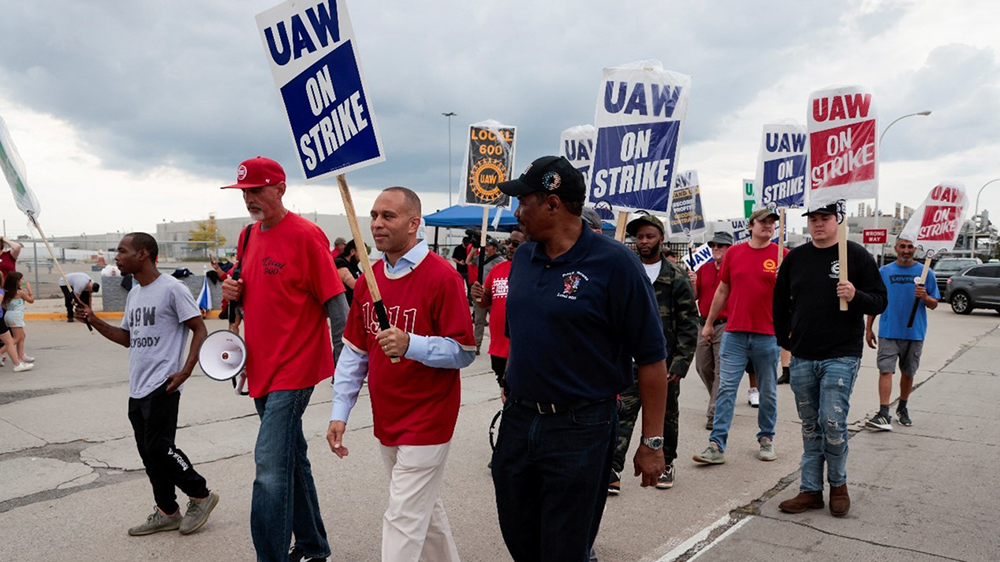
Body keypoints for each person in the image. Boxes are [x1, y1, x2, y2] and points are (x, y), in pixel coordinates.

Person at [492, 155, 669, 561]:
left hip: (581, 428)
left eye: (524, 202)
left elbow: (651, 359)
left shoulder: (616, 264)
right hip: (519, 420)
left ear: (553, 204)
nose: (517, 212)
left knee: (565, 549)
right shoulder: (523, 259)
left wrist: (652, 442)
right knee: (519, 538)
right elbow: (521, 336)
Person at [327, 187, 476, 562]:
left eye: (388, 216)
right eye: (374, 215)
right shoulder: (369, 279)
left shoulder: (442, 277)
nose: (377, 223)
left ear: (413, 224)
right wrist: (339, 412)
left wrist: (412, 344)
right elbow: (355, 354)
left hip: (429, 418)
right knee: (424, 511)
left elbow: (464, 351)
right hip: (388, 417)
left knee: (403, 518)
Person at [220, 156, 349, 562]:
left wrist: (345, 369)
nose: (249, 198)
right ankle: (313, 547)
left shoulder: (307, 236)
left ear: (280, 188)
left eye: (256, 190)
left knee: (269, 469)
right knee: (291, 461)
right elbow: (248, 295)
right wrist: (232, 293)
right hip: (261, 367)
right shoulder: (247, 236)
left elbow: (337, 305)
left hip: (296, 368)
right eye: (244, 192)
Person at [73, 232, 218, 536]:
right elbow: (127, 338)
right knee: (149, 455)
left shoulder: (173, 289)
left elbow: (199, 329)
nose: (116, 257)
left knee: (160, 449)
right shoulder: (135, 294)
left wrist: (185, 371)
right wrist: (93, 319)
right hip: (137, 387)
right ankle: (167, 511)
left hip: (164, 384)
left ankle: (201, 495)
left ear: (143, 254)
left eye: (122, 251)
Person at [774, 203, 887, 517]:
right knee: (811, 426)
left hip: (841, 354)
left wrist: (855, 295)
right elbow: (780, 303)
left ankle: (838, 485)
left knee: (832, 423)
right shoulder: (796, 258)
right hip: (803, 355)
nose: (818, 224)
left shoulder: (855, 256)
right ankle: (810, 490)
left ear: (838, 220)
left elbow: (880, 301)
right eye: (813, 219)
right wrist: (785, 340)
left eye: (824, 218)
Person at [609, 215, 699, 493]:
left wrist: (680, 363)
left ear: (661, 238)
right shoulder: (627, 270)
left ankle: (666, 462)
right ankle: (612, 468)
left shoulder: (676, 276)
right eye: (639, 237)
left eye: (649, 236)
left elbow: (688, 323)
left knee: (666, 416)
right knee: (621, 414)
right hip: (627, 362)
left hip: (663, 364)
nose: (644, 242)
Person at [695, 208, 786, 465]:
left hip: (768, 336)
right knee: (726, 389)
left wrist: (785, 283)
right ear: (751, 225)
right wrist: (709, 323)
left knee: (767, 391)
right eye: (763, 221)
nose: (768, 225)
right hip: (734, 334)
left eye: (772, 222)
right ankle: (716, 444)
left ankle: (766, 439)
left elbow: (794, 297)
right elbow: (722, 290)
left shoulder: (783, 256)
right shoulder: (734, 253)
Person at [864, 235, 938, 431]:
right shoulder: (884, 272)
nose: (906, 250)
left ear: (915, 249)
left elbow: (934, 304)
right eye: (902, 246)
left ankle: (902, 407)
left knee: (908, 372)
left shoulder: (925, 272)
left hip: (914, 332)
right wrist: (868, 328)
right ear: (895, 248)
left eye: (910, 247)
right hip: (889, 331)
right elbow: (875, 301)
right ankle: (883, 413)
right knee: (885, 370)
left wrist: (925, 297)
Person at [472, 230, 526, 397]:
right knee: (505, 394)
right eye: (509, 242)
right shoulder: (497, 269)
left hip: (519, 350)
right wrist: (478, 295)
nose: (510, 247)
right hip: (498, 348)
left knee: (515, 395)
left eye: (515, 244)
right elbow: (486, 301)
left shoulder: (532, 270)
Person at [690, 231, 733, 430]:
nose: (715, 248)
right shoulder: (704, 269)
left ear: (729, 248)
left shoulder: (733, 269)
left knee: (720, 370)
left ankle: (714, 413)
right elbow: (694, 296)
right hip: (704, 323)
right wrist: (692, 283)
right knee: (702, 366)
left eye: (720, 245)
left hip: (726, 324)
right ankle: (721, 400)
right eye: (713, 245)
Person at [470, 237, 503, 354]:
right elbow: (469, 261)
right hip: (480, 294)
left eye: (488, 246)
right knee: (479, 321)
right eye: (486, 246)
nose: (486, 248)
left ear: (495, 248)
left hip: (492, 295)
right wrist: (473, 250)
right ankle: (476, 346)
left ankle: (497, 345)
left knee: (496, 322)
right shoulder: (481, 258)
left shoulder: (500, 261)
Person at [0, 272, 32, 372]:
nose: (23, 281)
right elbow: (31, 300)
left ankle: (20, 356)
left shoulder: (7, 292)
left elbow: (4, 305)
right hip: (15, 316)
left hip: (9, 315)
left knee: (22, 336)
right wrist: (29, 290)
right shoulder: (19, 293)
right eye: (21, 279)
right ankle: (3, 353)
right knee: (15, 339)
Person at [334, 239, 362, 304]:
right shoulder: (340, 263)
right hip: (344, 304)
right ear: (352, 251)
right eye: (361, 253)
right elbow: (353, 284)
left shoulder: (353, 264)